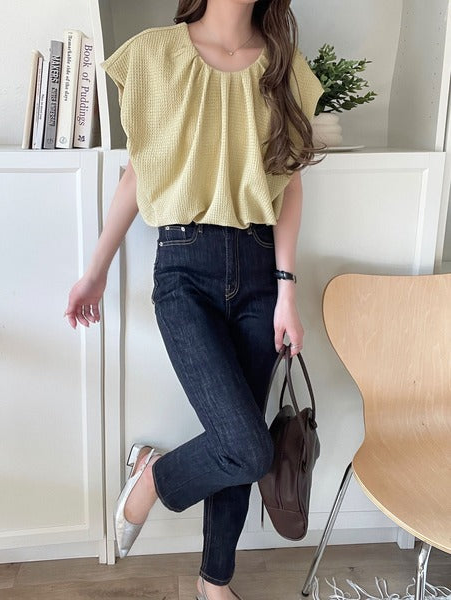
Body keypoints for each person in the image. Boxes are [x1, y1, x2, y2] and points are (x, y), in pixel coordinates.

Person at [64, 1, 324, 598]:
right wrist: (96, 270)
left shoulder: (285, 66)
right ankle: (153, 479)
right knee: (246, 447)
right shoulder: (153, 55)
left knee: (241, 437)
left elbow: (290, 186)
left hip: (260, 268)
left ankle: (214, 583)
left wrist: (287, 290)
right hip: (184, 267)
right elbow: (138, 173)